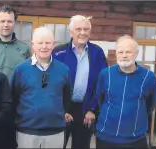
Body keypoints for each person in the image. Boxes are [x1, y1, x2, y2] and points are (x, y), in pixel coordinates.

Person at [10, 27, 73, 148]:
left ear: (53, 44)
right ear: (33, 45)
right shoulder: (20, 70)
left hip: (55, 132)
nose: (44, 46)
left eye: (48, 42)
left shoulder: (64, 70)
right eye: (40, 43)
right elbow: (13, 99)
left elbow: (66, 98)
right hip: (26, 132)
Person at [52, 15, 108, 149]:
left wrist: (92, 109)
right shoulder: (59, 52)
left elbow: (102, 83)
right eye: (78, 29)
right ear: (71, 31)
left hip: (85, 110)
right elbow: (52, 83)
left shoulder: (97, 52)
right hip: (62, 110)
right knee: (57, 145)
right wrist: (60, 109)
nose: (82, 32)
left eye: (86, 29)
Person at [94, 35, 156, 149]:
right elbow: (100, 99)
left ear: (136, 53)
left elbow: (150, 104)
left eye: (128, 52)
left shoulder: (148, 77)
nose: (124, 55)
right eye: (120, 52)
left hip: (135, 139)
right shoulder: (105, 74)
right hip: (105, 137)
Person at [0, 5, 31, 148]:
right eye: (2, 21)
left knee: (13, 142)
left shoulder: (25, 48)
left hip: (17, 104)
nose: (6, 25)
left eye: (9, 21)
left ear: (15, 23)